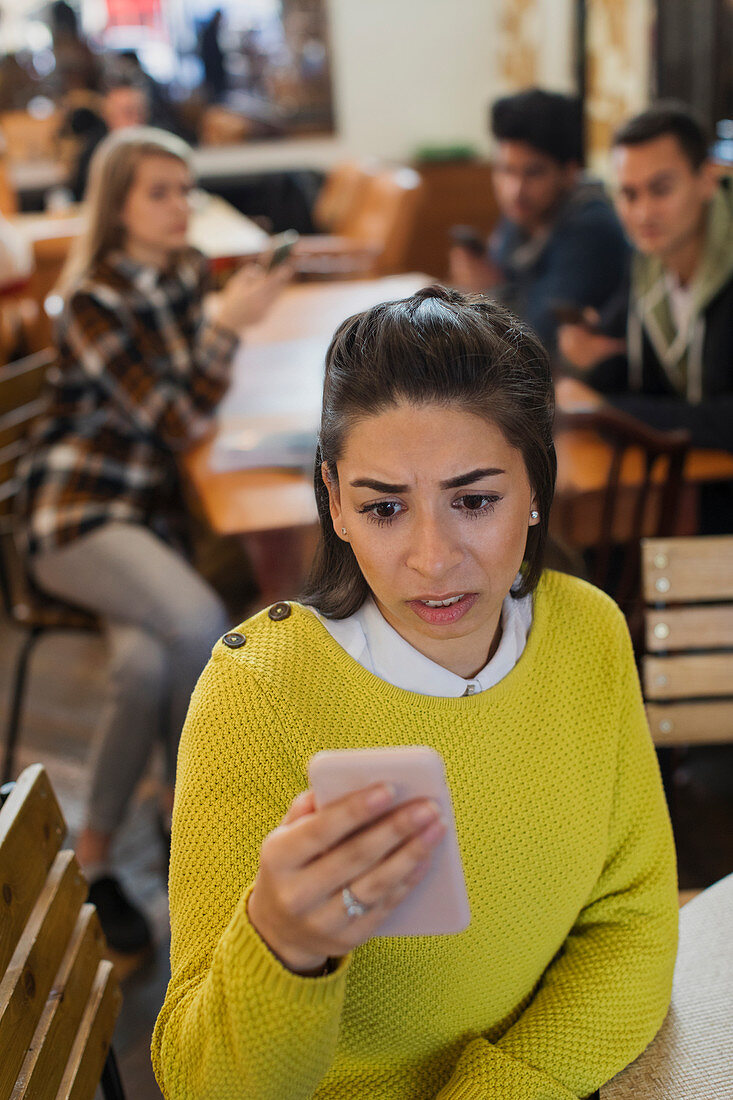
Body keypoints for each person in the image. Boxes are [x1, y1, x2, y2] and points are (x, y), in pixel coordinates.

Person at [152, 286, 678, 1098]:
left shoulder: (588, 634)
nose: (433, 559)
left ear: (537, 487)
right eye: (384, 507)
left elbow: (635, 921)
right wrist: (282, 944)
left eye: (473, 500)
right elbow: (197, 1083)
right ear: (334, 502)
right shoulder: (254, 693)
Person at [15, 127, 289, 954]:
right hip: (75, 518)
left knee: (142, 667)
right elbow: (175, 419)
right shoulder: (92, 299)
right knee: (201, 622)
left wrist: (219, 319)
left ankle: (93, 856)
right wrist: (230, 326)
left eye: (186, 189)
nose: (181, 206)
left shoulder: (175, 276)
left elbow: (190, 400)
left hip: (141, 522)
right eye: (159, 193)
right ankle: (182, 811)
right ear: (119, 206)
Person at [558, 102, 733, 533]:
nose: (642, 213)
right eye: (629, 193)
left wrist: (608, 409)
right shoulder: (649, 265)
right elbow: (630, 371)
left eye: (661, 189)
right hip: (694, 485)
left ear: (707, 179)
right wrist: (591, 361)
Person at [449, 88, 628, 350]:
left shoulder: (591, 229)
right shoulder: (525, 211)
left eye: (533, 173)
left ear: (570, 171)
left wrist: (487, 292)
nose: (515, 190)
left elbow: (533, 342)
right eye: (505, 170)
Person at [69, 75, 150, 201]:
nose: (136, 120)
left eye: (140, 112)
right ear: (107, 116)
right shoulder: (95, 153)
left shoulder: (156, 149)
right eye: (127, 113)